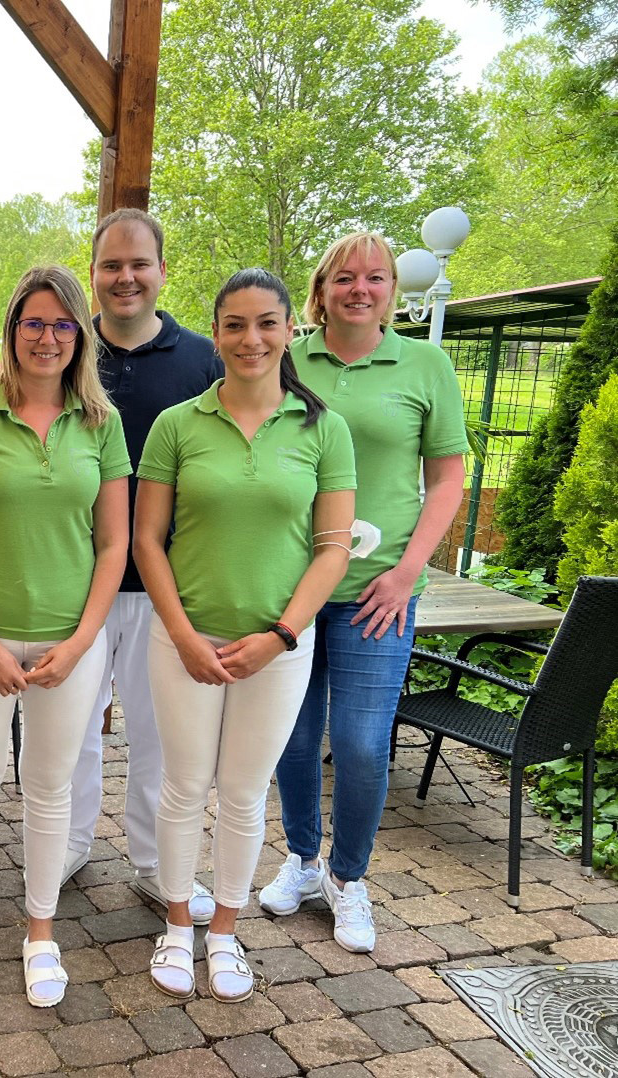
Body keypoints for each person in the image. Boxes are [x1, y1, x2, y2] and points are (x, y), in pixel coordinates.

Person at [135, 267, 356, 1003]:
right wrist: (183, 634)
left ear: (290, 327)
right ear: (217, 331)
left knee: (241, 793)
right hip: (183, 642)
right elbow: (146, 541)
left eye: (265, 322)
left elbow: (331, 547)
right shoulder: (177, 424)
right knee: (181, 786)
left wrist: (281, 635)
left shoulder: (322, 427)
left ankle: (224, 931)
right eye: (234, 324)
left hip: (278, 650)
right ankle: (175, 924)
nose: (250, 338)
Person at [261, 232, 467, 953]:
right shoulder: (288, 359)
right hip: (289, 585)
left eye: (374, 277)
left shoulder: (424, 364)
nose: (359, 289)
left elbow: (446, 480)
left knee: (357, 743)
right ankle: (300, 858)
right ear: (320, 290)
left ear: (391, 290)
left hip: (377, 592)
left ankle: (348, 879)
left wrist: (407, 571)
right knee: (289, 736)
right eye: (344, 277)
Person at [0, 264, 129, 1008]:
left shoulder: (100, 425)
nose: (46, 337)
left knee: (49, 790)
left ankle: (39, 933)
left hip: (68, 646)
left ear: (80, 334)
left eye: (61, 324)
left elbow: (113, 546)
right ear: (12, 330)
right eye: (32, 323)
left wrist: (80, 644)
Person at [64, 210, 224, 924]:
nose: (124, 277)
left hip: (167, 586)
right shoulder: (62, 351)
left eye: (138, 264)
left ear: (161, 270)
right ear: (92, 273)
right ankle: (65, 844)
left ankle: (155, 863)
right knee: (69, 727)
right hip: (75, 582)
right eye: (109, 265)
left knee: (160, 736)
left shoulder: (203, 361)